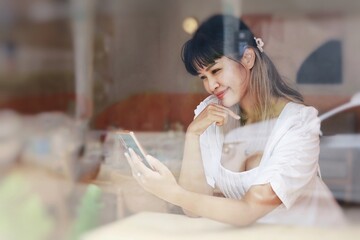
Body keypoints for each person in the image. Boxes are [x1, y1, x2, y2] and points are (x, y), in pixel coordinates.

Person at [125, 14, 346, 227]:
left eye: (216, 70)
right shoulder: (210, 113)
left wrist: (172, 193)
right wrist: (193, 134)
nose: (211, 85)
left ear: (247, 58)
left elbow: (249, 210)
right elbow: (192, 209)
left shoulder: (298, 123)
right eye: (204, 77)